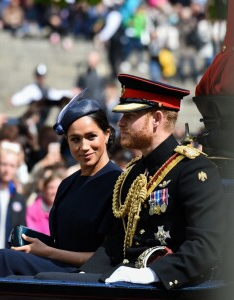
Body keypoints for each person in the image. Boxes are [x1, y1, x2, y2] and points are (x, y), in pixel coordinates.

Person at [35, 74, 226, 290]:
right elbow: (114, 245)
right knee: (46, 280)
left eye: (130, 116)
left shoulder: (193, 170)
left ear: (156, 119)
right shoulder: (134, 172)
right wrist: (84, 274)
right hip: (126, 280)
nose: (121, 123)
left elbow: (205, 246)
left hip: (168, 286)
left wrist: (153, 273)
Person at [0, 91, 122, 277]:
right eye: (75, 139)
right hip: (56, 266)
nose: (83, 146)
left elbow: (108, 257)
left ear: (107, 134)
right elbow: (61, 242)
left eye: (91, 136)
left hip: (87, 275)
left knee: (3, 260)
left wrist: (47, 251)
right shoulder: (67, 184)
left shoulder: (118, 184)